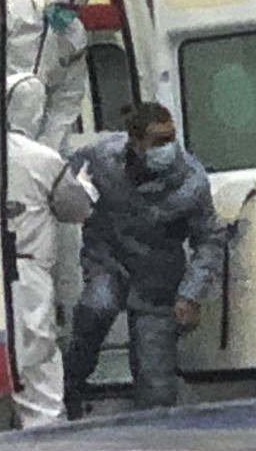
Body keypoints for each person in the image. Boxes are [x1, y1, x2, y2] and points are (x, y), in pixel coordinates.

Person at [62, 102, 223, 418]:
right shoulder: (101, 157)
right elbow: (58, 182)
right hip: (107, 261)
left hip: (157, 278)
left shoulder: (191, 181)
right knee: (97, 308)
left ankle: (153, 436)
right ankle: (67, 390)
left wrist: (191, 293)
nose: (168, 147)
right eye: (159, 140)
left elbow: (209, 240)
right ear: (134, 142)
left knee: (157, 389)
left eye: (171, 138)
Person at [0, 73, 95, 434]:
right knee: (40, 388)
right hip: (27, 279)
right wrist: (86, 186)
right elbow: (76, 209)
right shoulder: (43, 160)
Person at [6, 0, 91, 155]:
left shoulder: (74, 36)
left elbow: (68, 97)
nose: (68, 14)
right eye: (62, 6)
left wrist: (50, 148)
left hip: (37, 129)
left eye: (75, 8)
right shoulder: (11, 10)